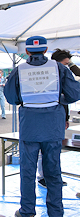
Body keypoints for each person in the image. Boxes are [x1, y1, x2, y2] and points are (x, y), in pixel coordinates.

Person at [4, 36, 80, 217]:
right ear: (46, 51)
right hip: (53, 126)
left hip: (29, 126)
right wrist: (57, 99)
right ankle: (56, 212)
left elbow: (11, 98)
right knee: (53, 171)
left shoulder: (19, 70)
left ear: (27, 51)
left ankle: (27, 211)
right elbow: (74, 93)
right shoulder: (59, 68)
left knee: (28, 171)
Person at [37, 48, 79, 188]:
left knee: (54, 150)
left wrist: (65, 118)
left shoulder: (61, 73)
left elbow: (65, 98)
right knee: (45, 148)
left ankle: (53, 177)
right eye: (66, 63)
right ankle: (43, 177)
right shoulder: (49, 75)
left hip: (57, 116)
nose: (69, 66)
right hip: (46, 117)